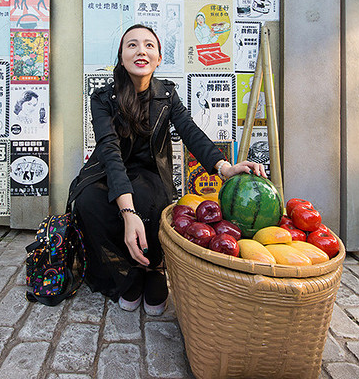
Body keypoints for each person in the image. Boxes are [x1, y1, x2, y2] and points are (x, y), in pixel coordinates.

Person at [67, 24, 266, 316]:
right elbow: (109, 151)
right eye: (132, 45)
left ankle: (154, 267)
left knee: (151, 201)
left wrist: (224, 167)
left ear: (159, 58)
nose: (141, 51)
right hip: (106, 171)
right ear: (121, 56)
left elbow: (190, 131)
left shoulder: (167, 95)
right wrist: (126, 211)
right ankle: (127, 275)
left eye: (149, 45)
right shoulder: (103, 98)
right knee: (90, 203)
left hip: (149, 171)